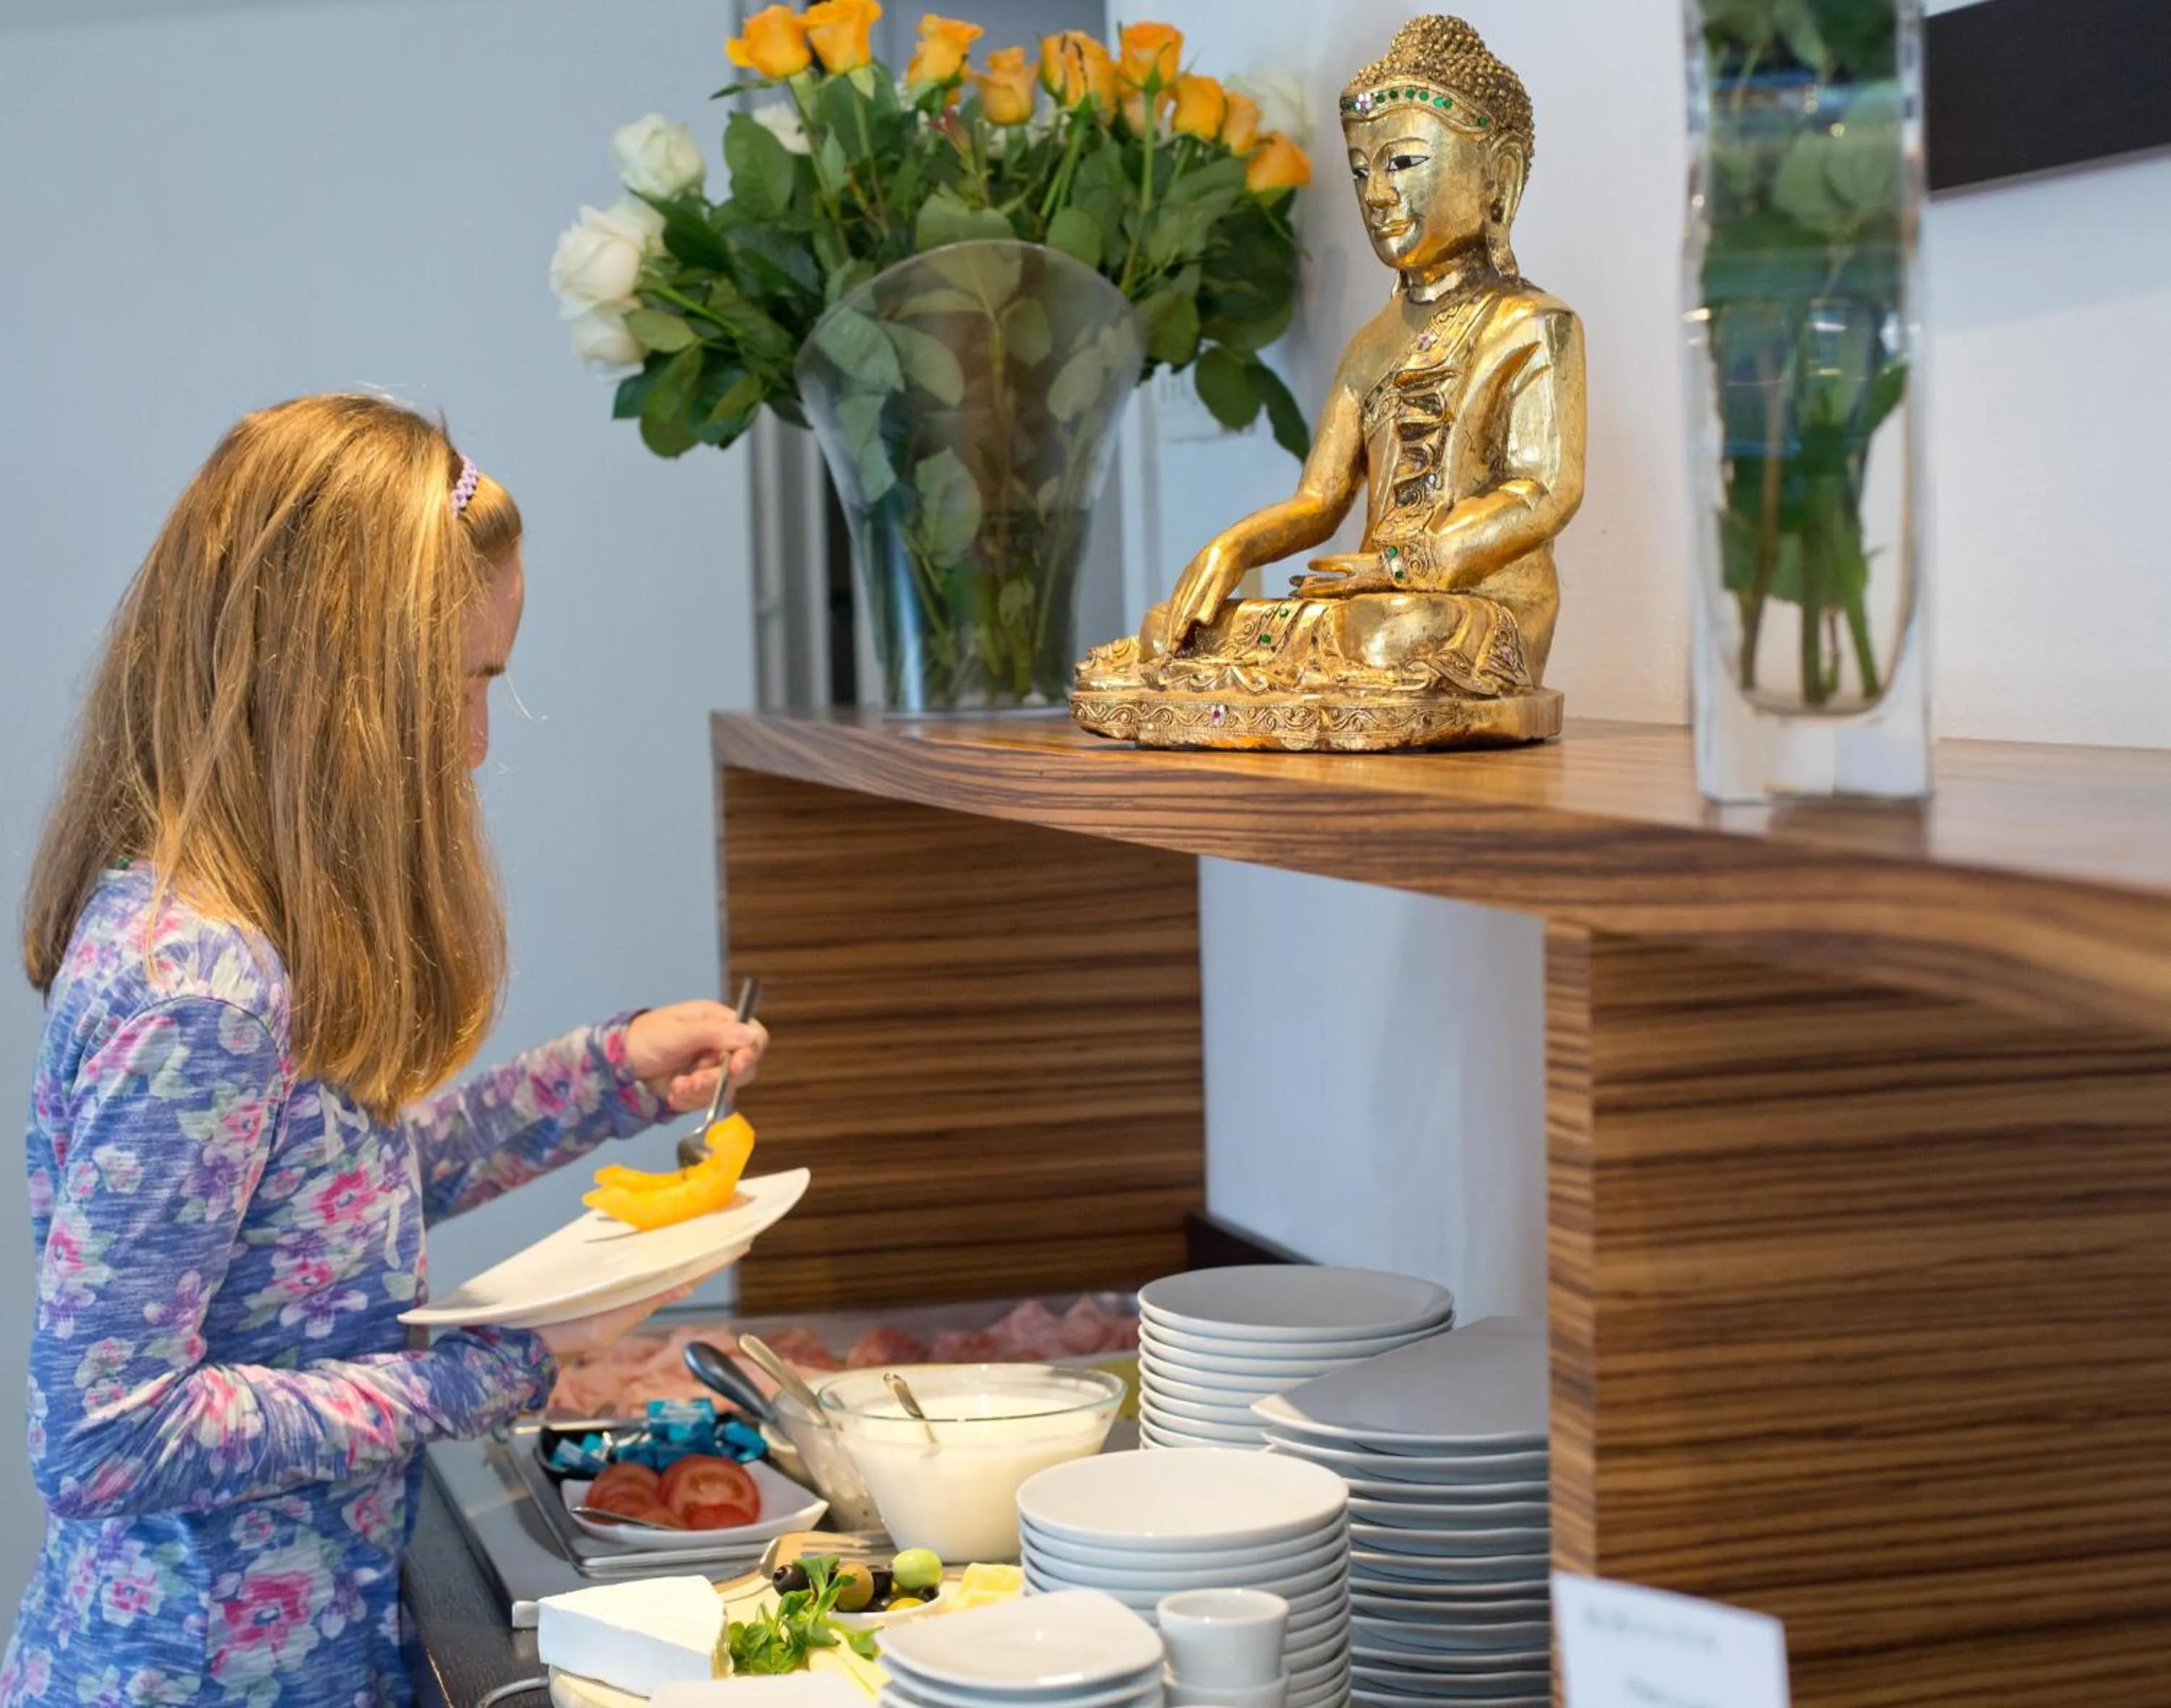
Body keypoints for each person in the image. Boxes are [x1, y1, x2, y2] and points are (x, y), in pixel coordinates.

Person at [1, 394, 768, 1704]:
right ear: (335, 694)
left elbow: (327, 1199)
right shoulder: (202, 993)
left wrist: (606, 1075)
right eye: (463, 686)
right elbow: (107, 1438)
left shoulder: (235, 937)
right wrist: (492, 1376)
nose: (474, 745)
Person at [1072, 14, 1586, 752]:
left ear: (1496, 176)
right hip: (1363, 594)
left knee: (1388, 636)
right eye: (1359, 169)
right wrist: (1235, 548)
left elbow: (1543, 492)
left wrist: (1411, 563)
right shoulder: (1372, 343)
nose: (1375, 194)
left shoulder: (1534, 325)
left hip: (1472, 607)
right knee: (1185, 628)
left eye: (1403, 163)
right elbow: (1319, 502)